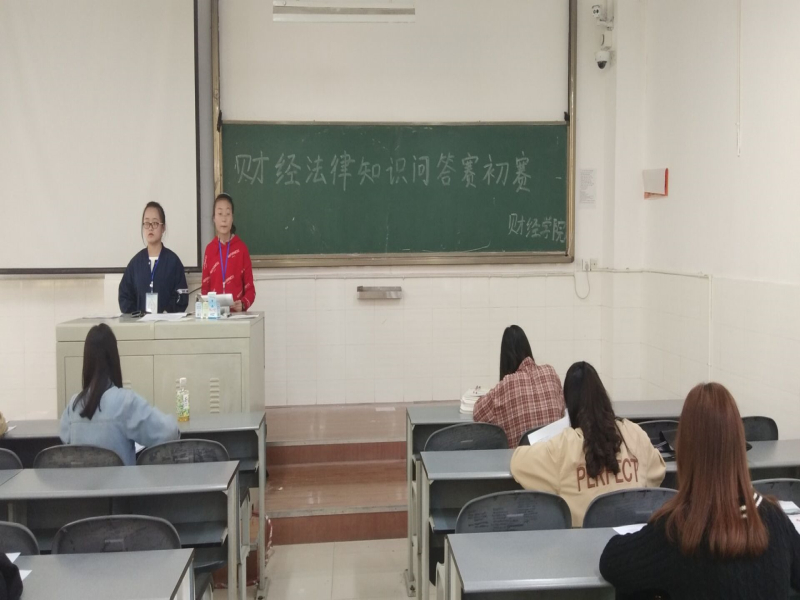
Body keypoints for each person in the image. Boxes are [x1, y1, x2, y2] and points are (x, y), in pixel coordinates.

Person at [599, 383, 800, 599]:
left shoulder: (677, 531)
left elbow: (611, 562)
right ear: (739, 446)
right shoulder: (775, 519)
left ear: (684, 448)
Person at [510, 362, 665, 526]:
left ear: (569, 404)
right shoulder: (634, 433)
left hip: (583, 541)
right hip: (631, 539)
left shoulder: (563, 447)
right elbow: (657, 472)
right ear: (603, 396)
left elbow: (517, 462)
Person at [59, 323, 179, 465]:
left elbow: (65, 440)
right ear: (114, 358)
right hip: (122, 480)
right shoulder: (125, 402)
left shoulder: (73, 406)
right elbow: (168, 433)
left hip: (82, 480)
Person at [473, 325, 565, 448]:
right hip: (554, 457)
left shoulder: (506, 385)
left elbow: (477, 413)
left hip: (521, 459)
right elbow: (562, 411)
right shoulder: (550, 372)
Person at [119, 201, 188, 314]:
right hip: (140, 323)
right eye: (147, 223)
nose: (150, 228)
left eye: (155, 223)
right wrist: (136, 315)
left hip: (166, 322)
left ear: (163, 228)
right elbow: (124, 295)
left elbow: (182, 295)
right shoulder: (135, 263)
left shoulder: (173, 262)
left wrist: (167, 313)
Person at [201, 193, 255, 313]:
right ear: (214, 218)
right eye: (220, 214)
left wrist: (243, 304)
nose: (224, 219)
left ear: (232, 218)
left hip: (237, 317)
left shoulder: (241, 249)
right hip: (214, 316)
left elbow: (250, 290)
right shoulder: (209, 250)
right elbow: (205, 289)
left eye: (227, 214)